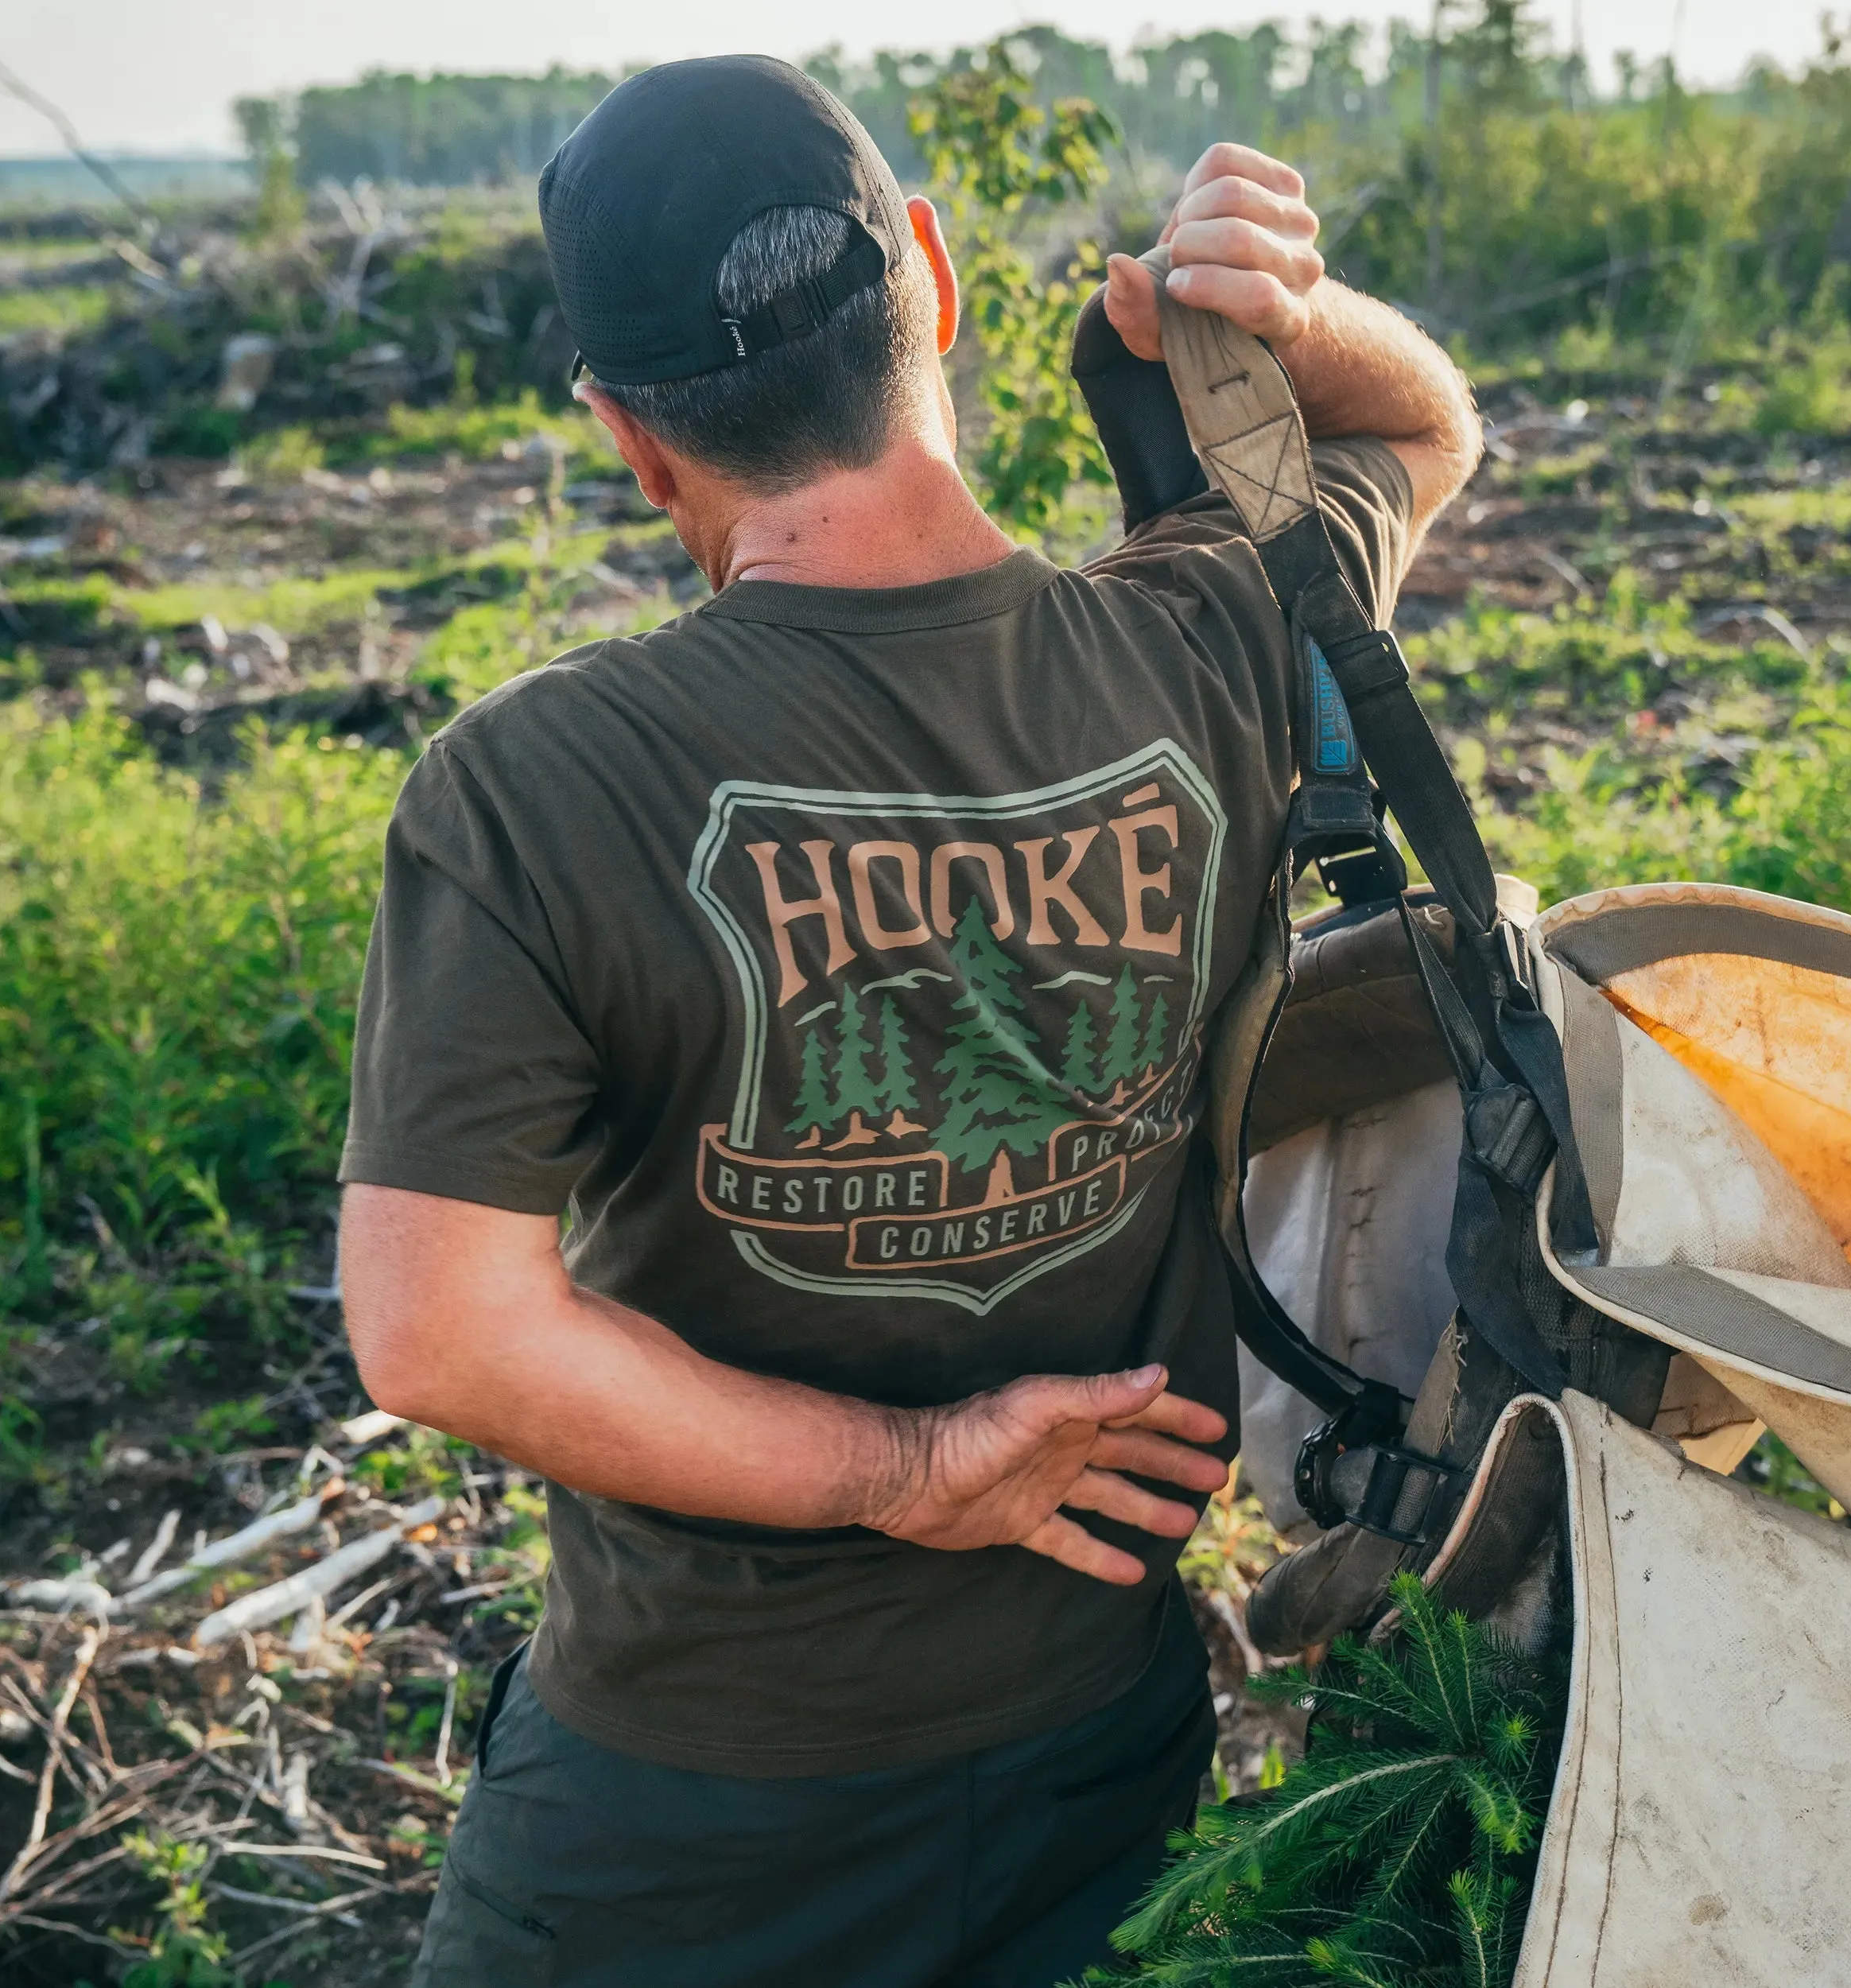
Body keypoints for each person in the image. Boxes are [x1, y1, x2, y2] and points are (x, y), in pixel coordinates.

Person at [338, 52, 1481, 1988]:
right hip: (1094, 1736)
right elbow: (1423, 424)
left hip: (680, 1801)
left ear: (627, 432)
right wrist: (1281, 317)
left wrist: (904, 1470)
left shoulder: (538, 781)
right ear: (932, 283)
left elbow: (440, 1330)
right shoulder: (1207, 632)